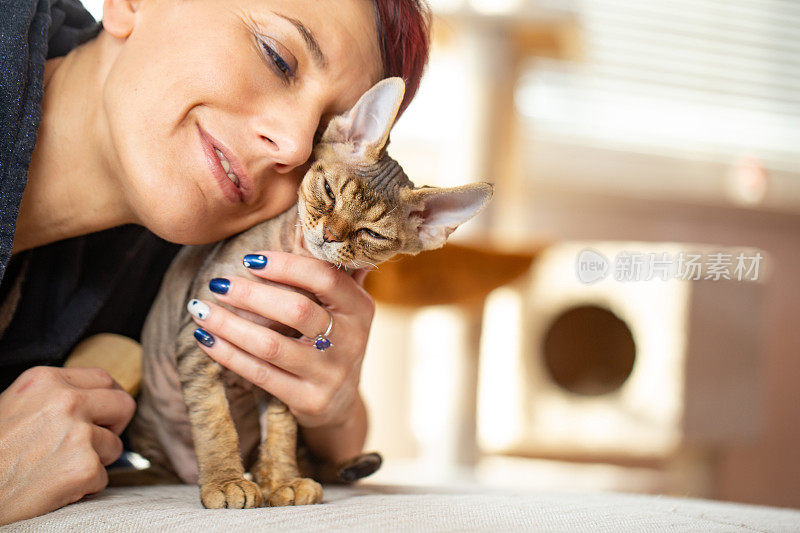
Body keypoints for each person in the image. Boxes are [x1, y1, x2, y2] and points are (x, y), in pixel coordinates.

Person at [0, 0, 430, 525]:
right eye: (277, 58)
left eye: (323, 135)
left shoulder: (166, 250)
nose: (295, 146)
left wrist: (333, 400)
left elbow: (344, 441)